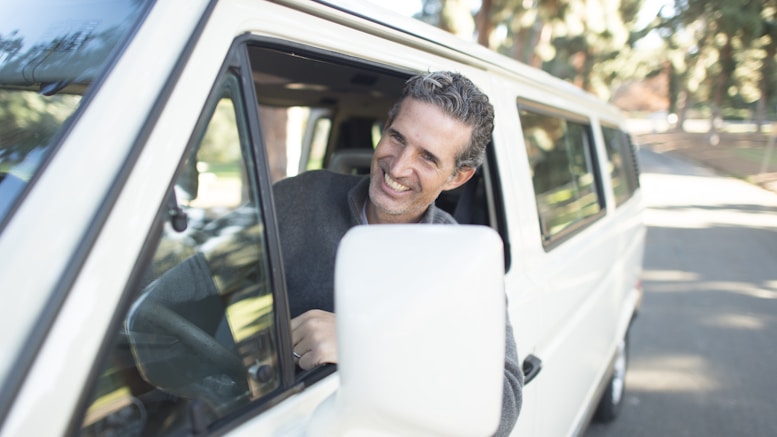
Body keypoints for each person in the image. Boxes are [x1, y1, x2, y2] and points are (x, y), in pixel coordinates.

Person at [273, 71, 522, 435]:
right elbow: (185, 298)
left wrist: (366, 349)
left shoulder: (462, 261)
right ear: (386, 126)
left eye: (428, 158)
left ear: (457, 177)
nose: (399, 166)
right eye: (396, 137)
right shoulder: (297, 198)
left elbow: (505, 404)